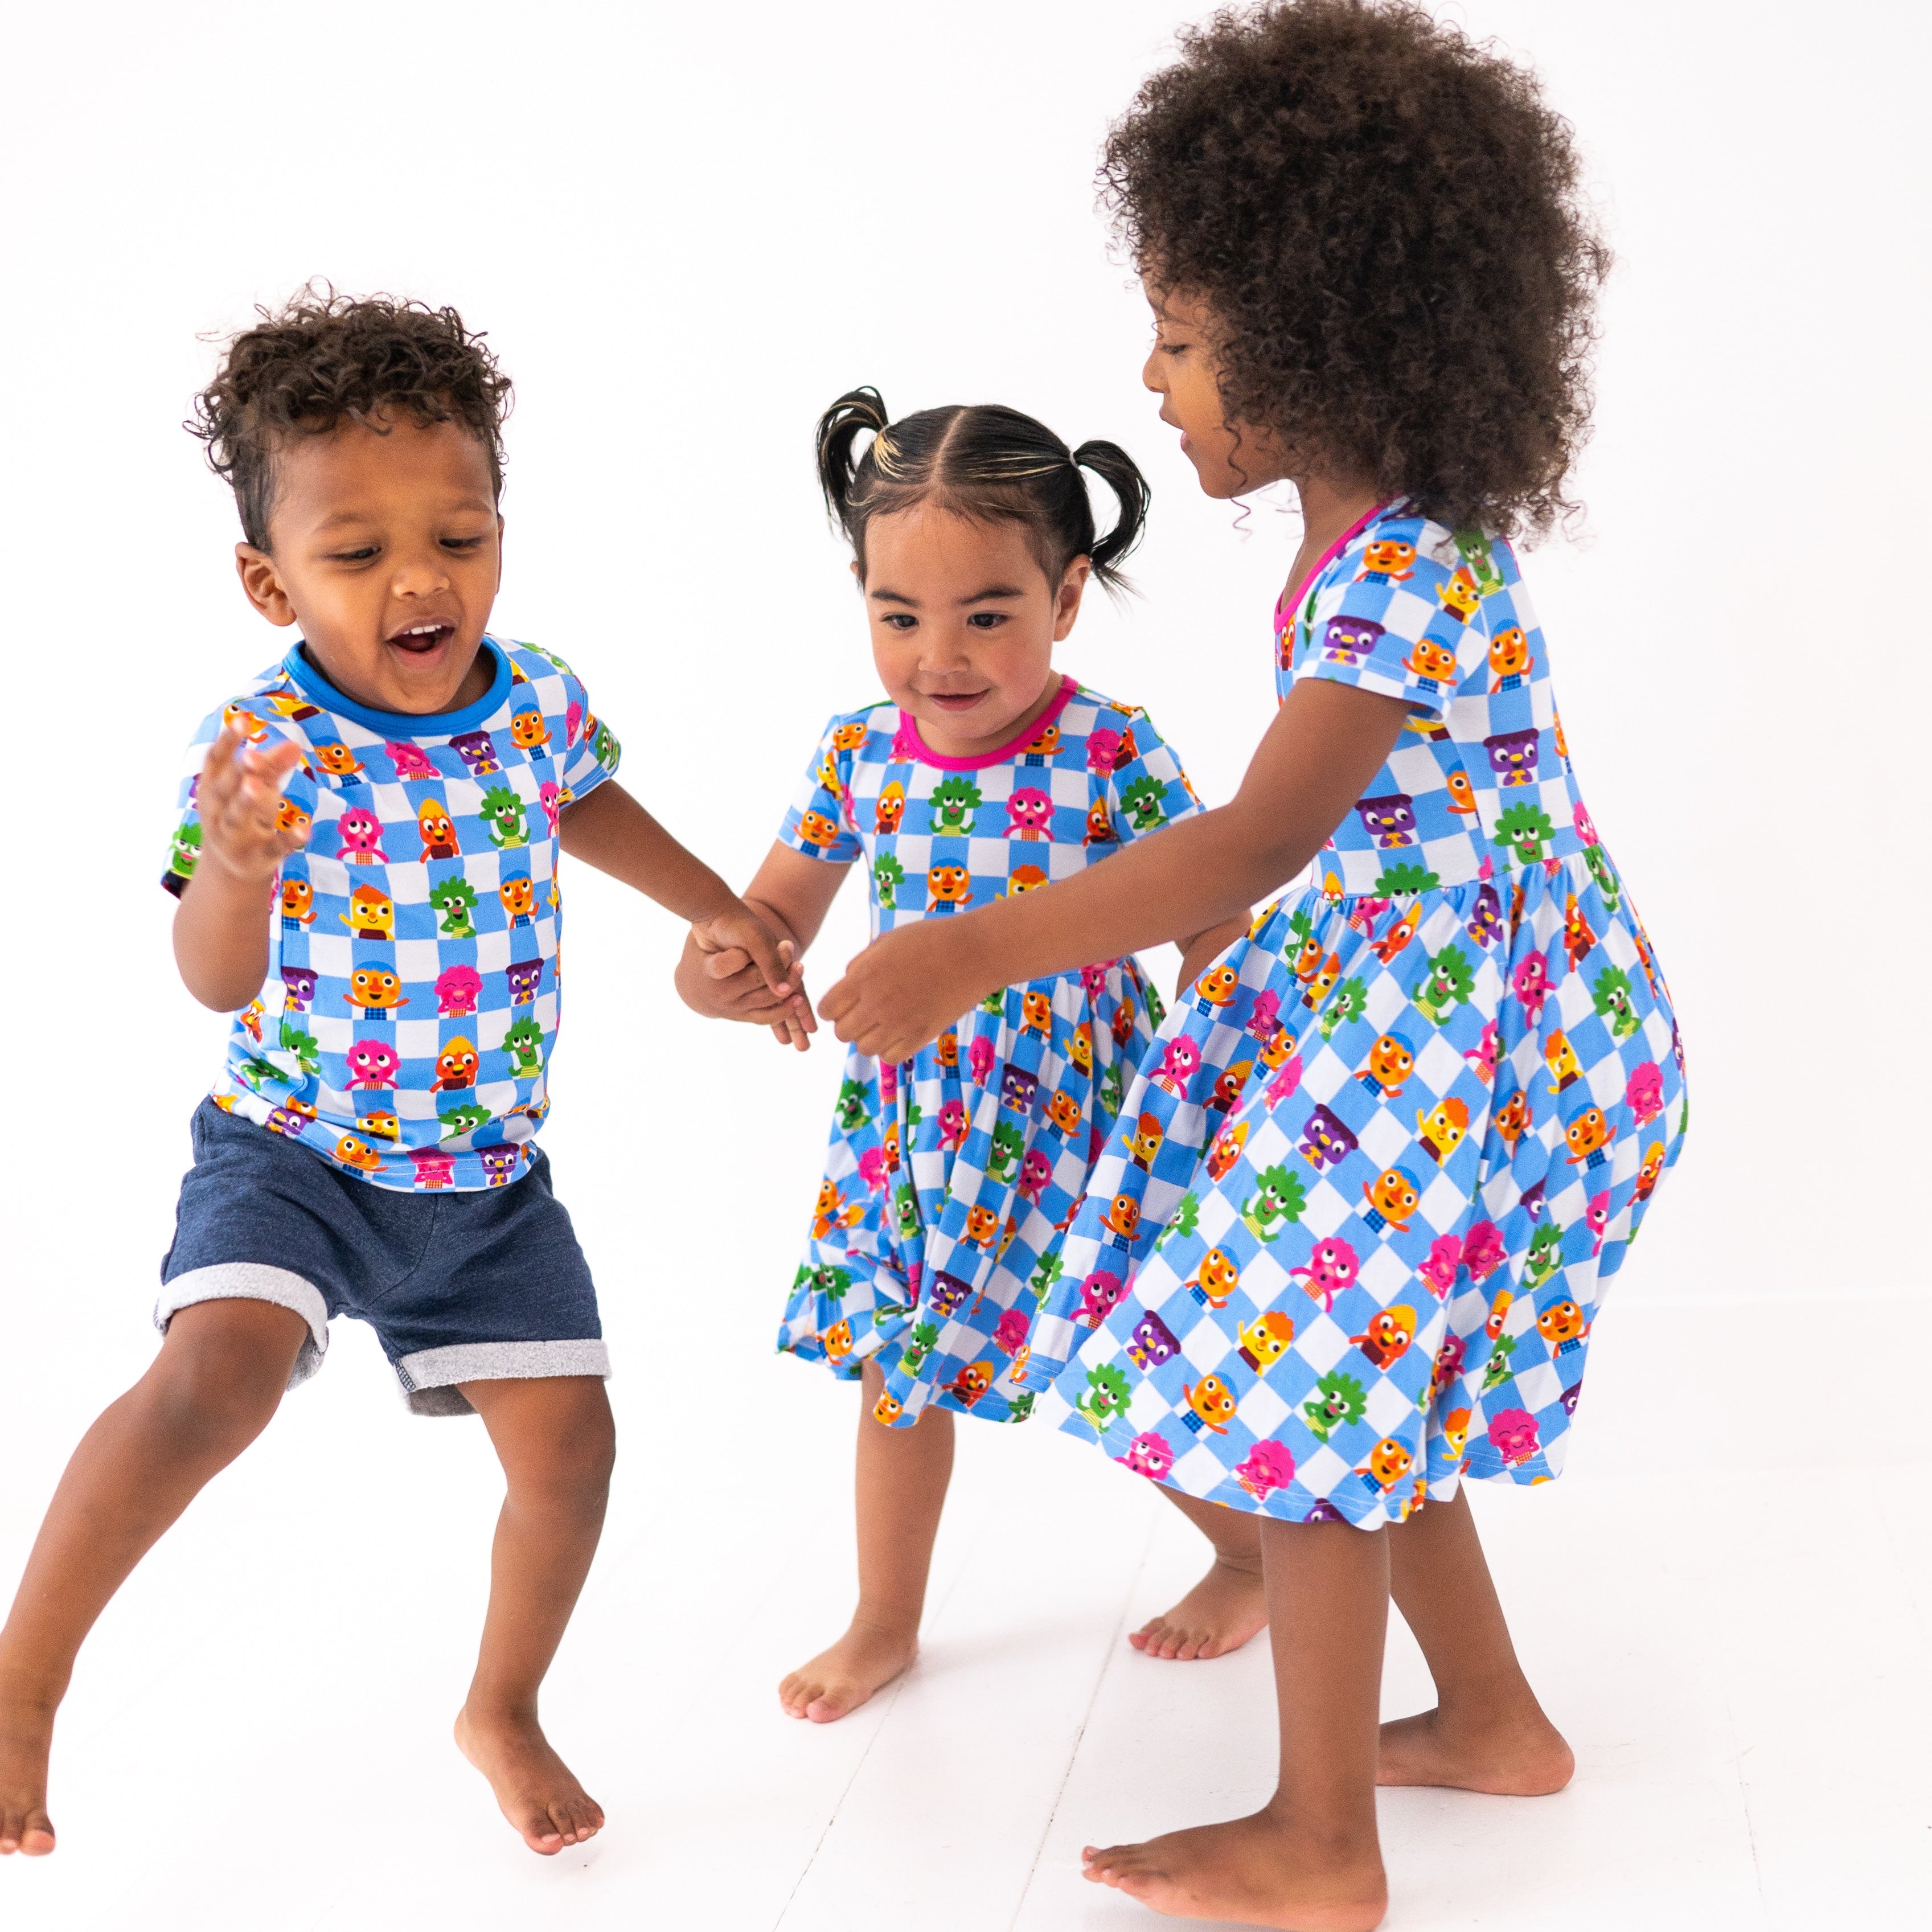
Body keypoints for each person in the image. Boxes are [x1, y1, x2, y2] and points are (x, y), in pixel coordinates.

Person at [817, 5, 1687, 1925]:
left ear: (1320, 348)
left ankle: (1320, 1841)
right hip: (1447, 1003)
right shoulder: (1377, 540)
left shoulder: (1392, 574)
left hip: (1459, 1031)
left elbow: (1256, 840)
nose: (1156, 374)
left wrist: (974, 949)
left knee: (1302, 1404)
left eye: (1189, 339)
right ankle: (1487, 1716)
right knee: (1368, 1371)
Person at [0, 290, 797, 1861]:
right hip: (293, 1154)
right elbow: (214, 980)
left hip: (486, 1186)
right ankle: (25, 1679)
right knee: (208, 1383)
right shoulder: (260, 746)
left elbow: (589, 805)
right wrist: (237, 864)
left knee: (575, 1454)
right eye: (356, 555)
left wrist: (720, 905)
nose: (422, 580)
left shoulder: (538, 696)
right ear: (268, 578)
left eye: (461, 533)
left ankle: (501, 1703)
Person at [677, 389, 1250, 1722]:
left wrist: (1240, 1095)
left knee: (1121, 1357)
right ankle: (884, 1616)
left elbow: (1212, 936)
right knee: (897, 1364)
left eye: (986, 612)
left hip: (1093, 1117)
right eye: (898, 615)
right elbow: (770, 924)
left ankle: (1243, 1549)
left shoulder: (1112, 748)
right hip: (915, 1124)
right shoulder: (859, 753)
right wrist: (726, 966)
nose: (939, 652)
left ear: (1066, 593)